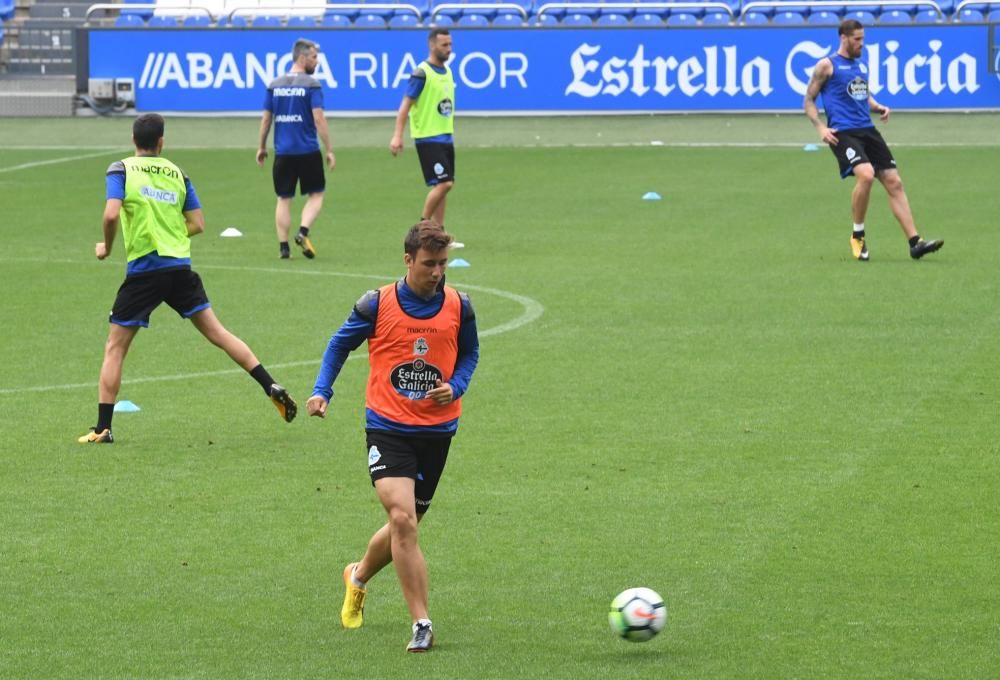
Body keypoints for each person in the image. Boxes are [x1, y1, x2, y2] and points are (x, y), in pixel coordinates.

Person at [306, 221, 479, 653]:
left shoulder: (460, 306)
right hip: (388, 426)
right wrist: (321, 391)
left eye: (443, 263)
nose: (438, 272)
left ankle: (358, 575)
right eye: (429, 264)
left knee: (407, 524)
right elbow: (337, 345)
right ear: (407, 260)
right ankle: (421, 622)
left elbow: (471, 352)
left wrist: (456, 386)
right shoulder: (375, 304)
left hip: (438, 430)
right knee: (402, 518)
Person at [79, 113, 297, 444]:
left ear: (133, 139)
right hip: (179, 268)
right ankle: (270, 384)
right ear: (162, 142)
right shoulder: (178, 173)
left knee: (116, 348)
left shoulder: (120, 169)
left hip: (145, 270)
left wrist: (106, 248)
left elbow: (111, 213)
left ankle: (103, 428)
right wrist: (170, 232)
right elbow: (197, 223)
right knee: (219, 334)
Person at [803, 19, 943, 262]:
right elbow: (808, 100)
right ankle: (858, 235)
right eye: (857, 39)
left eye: (863, 39)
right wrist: (820, 129)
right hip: (843, 133)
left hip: (867, 130)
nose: (862, 44)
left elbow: (862, 93)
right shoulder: (826, 66)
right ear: (843, 38)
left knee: (894, 181)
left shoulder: (860, 65)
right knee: (866, 174)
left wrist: (877, 106)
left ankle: (915, 243)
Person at [257, 38, 335, 260]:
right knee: (317, 194)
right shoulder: (312, 85)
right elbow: (318, 118)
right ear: (302, 57)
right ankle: (303, 231)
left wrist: (262, 147)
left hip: (283, 152)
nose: (316, 62)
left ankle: (283, 247)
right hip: (308, 150)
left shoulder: (275, 84)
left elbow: (266, 119)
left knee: (283, 198)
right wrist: (329, 149)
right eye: (313, 57)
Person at [389, 29, 457, 230]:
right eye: (444, 45)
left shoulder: (448, 71)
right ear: (432, 46)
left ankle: (438, 231)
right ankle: (422, 228)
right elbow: (405, 105)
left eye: (450, 44)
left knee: (442, 186)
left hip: (445, 137)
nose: (449, 49)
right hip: (428, 137)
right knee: (445, 183)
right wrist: (397, 136)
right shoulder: (421, 73)